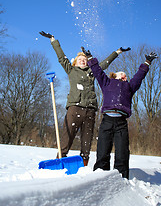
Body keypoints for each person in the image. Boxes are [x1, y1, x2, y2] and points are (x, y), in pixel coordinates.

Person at [39, 31, 131, 166]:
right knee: (67, 136)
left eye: (85, 59)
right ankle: (60, 158)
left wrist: (117, 52)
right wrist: (53, 40)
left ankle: (84, 162)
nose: (83, 61)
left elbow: (104, 64)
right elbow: (61, 57)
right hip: (74, 108)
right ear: (75, 62)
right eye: (80, 59)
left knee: (87, 139)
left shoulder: (92, 72)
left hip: (90, 110)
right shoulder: (71, 70)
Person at [83, 48, 158, 178]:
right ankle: (100, 174)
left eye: (126, 75)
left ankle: (121, 176)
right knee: (102, 149)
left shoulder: (129, 87)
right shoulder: (106, 82)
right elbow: (97, 71)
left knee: (122, 151)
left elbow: (139, 76)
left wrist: (147, 62)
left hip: (121, 123)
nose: (125, 76)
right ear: (115, 76)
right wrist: (90, 58)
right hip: (107, 120)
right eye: (122, 74)